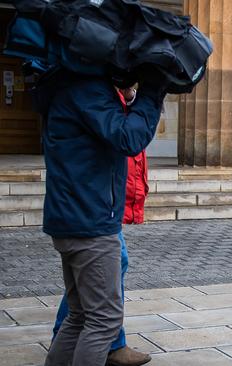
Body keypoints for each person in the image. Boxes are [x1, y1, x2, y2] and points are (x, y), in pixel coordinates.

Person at [35, 66, 165, 366]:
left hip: (73, 217)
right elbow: (129, 138)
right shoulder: (86, 89)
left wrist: (127, 97)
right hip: (89, 222)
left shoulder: (70, 85)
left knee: (80, 316)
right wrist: (153, 90)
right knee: (103, 320)